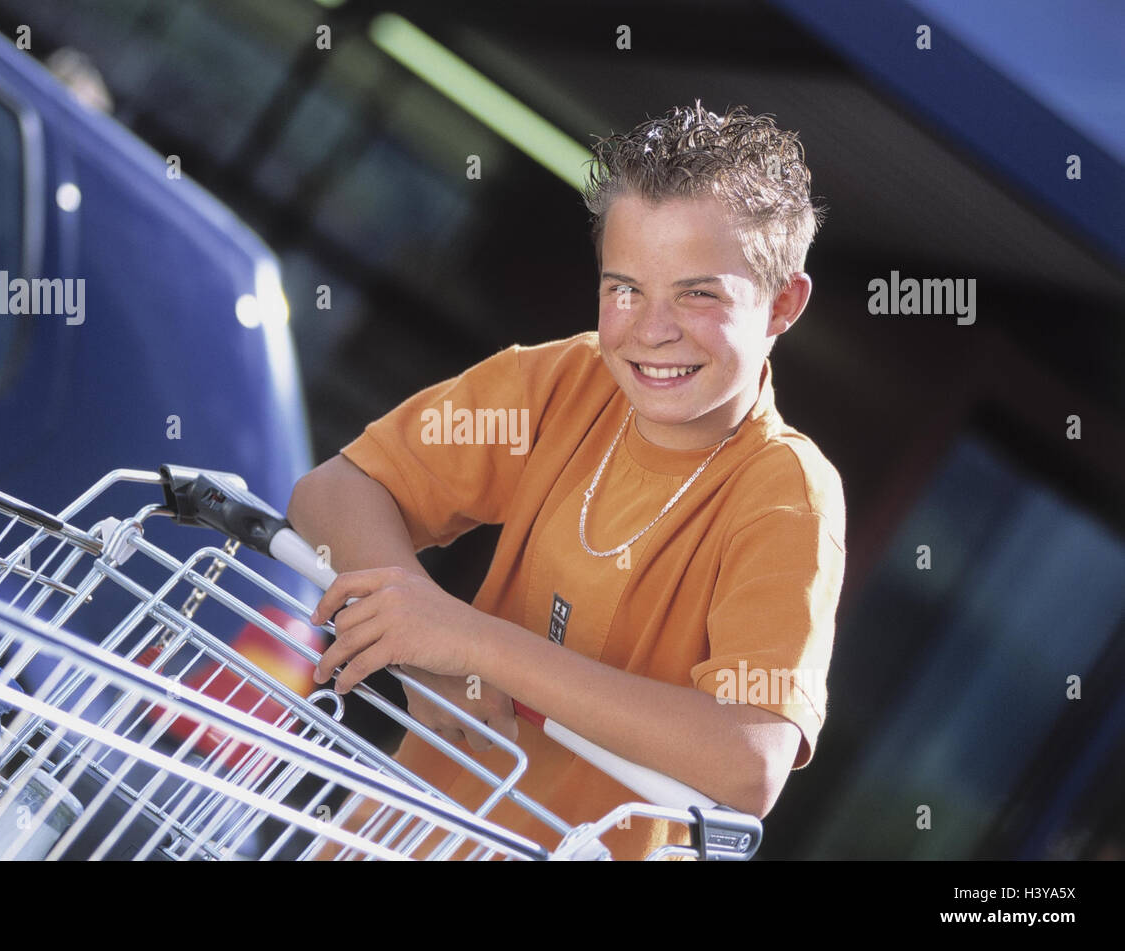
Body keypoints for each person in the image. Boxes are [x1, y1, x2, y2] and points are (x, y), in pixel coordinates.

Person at [287, 103, 846, 860]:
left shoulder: (786, 494)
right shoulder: (567, 379)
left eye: (698, 293)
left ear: (783, 303)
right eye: (624, 288)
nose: (651, 329)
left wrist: (472, 642)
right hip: (386, 843)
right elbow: (334, 489)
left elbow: (750, 757)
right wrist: (422, 652)